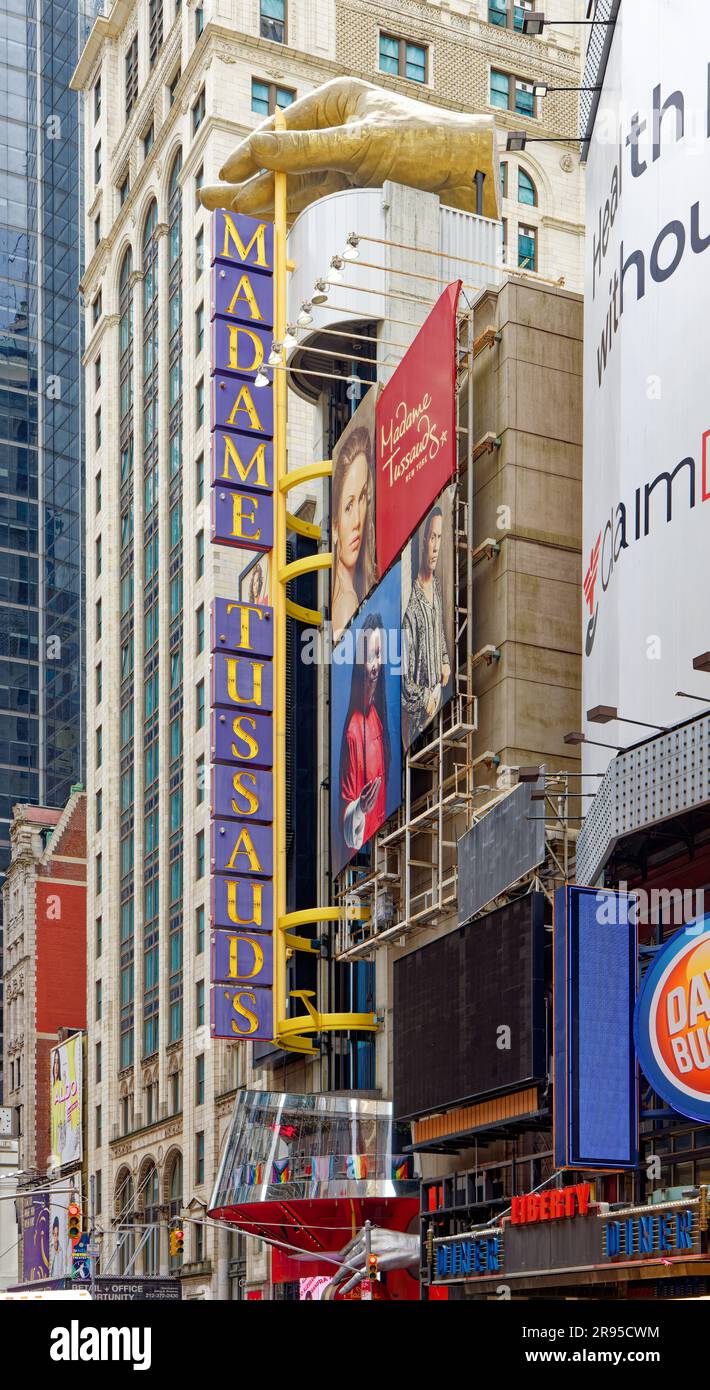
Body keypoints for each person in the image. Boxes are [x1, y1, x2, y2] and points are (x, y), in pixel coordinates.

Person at [339, 613, 390, 855]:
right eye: (370, 656)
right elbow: (346, 815)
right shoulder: (353, 731)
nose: (376, 664)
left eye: (379, 655)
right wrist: (360, 807)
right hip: (367, 854)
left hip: (386, 844)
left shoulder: (378, 717)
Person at [401, 506, 451, 746]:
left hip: (439, 712)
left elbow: (439, 631)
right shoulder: (411, 605)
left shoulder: (438, 587)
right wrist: (424, 699)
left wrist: (444, 659)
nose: (436, 546)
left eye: (440, 538)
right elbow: (404, 680)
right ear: (423, 541)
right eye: (432, 537)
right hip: (417, 728)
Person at [331, 425, 376, 643]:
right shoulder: (347, 602)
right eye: (349, 506)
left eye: (362, 498)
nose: (358, 521)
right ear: (334, 527)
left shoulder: (350, 593)